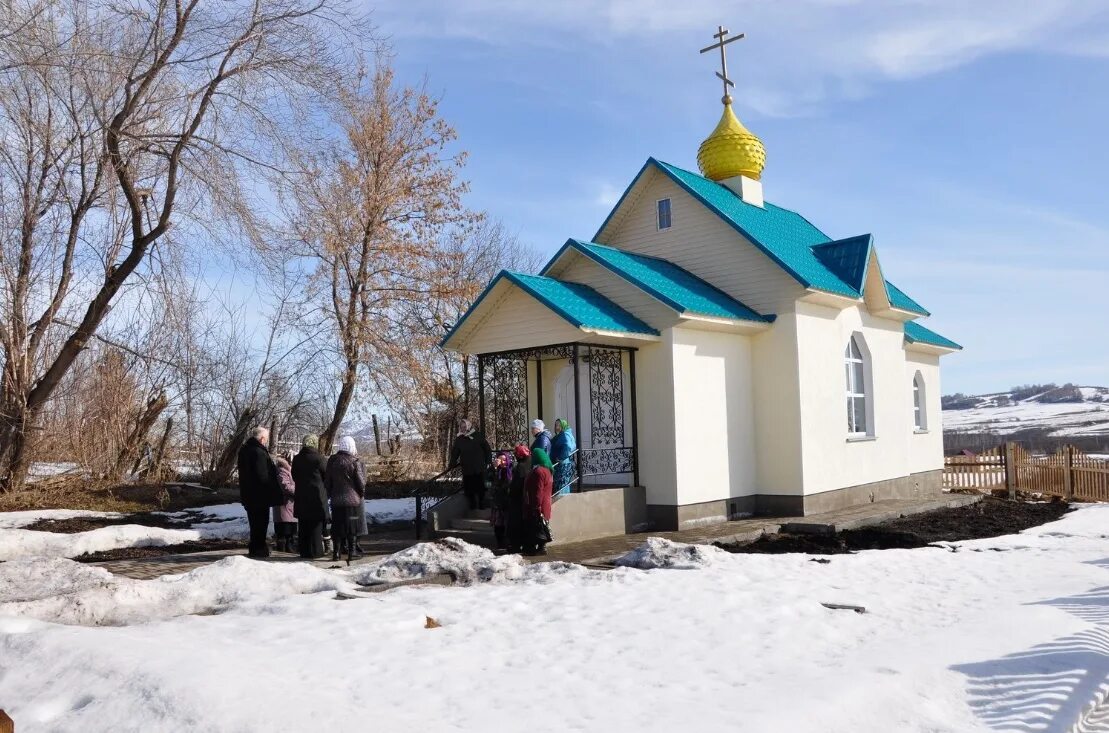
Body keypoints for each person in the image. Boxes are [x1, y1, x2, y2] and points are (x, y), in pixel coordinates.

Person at [237, 426, 280, 558]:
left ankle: (255, 547)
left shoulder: (244, 450)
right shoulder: (259, 452)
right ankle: (259, 549)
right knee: (261, 523)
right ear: (262, 439)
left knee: (254, 523)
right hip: (260, 496)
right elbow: (263, 476)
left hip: (248, 494)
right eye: (266, 439)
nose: (266, 441)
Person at [325, 436, 365, 561]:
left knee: (337, 526)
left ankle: (336, 553)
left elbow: (327, 482)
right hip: (353, 502)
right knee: (352, 527)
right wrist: (360, 494)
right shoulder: (354, 462)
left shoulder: (332, 461)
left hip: (336, 501)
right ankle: (352, 552)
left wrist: (330, 494)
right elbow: (361, 483)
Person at [292, 434, 329, 558]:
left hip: (301, 497)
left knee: (303, 526)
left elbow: (294, 477)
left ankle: (304, 551)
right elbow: (326, 477)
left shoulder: (297, 459)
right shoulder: (320, 459)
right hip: (317, 497)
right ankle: (316, 552)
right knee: (316, 527)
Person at [450, 418, 492, 511]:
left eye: (465, 426)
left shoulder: (477, 435)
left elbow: (487, 449)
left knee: (481, 486)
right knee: (469, 488)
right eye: (461, 427)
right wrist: (452, 463)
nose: (463, 428)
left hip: (479, 466)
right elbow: (455, 453)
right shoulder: (459, 439)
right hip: (467, 467)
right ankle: (472, 504)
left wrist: (488, 461)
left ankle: (481, 503)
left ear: (469, 426)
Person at [522, 448, 554, 556]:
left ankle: (536, 548)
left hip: (538, 504)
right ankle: (541, 547)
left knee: (536, 527)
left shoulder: (538, 471)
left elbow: (538, 491)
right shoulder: (547, 470)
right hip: (545, 504)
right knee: (541, 526)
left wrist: (536, 506)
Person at [506, 444, 530, 553]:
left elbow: (516, 485)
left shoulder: (521, 467)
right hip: (525, 498)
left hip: (518, 499)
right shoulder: (530, 463)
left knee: (515, 523)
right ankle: (524, 544)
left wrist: (510, 491)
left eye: (516, 454)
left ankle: (515, 545)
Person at [488, 451, 513, 552]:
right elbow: (488, 481)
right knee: (498, 524)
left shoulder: (511, 469)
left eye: (504, 460)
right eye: (500, 460)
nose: (503, 462)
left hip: (508, 501)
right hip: (497, 502)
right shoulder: (494, 470)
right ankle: (500, 543)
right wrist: (494, 469)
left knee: (508, 523)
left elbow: (510, 484)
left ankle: (508, 543)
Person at [272, 453, 297, 552]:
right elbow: (286, 487)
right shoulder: (282, 471)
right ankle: (285, 547)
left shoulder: (286, 470)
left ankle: (286, 546)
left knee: (289, 529)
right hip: (284, 504)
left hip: (288, 505)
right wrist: (299, 490)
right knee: (284, 529)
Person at [549, 418, 577, 494]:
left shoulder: (565, 435)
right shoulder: (560, 435)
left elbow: (567, 447)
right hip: (559, 464)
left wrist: (560, 457)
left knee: (561, 485)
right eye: (555, 425)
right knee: (560, 485)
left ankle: (562, 501)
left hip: (562, 464)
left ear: (563, 426)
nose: (557, 427)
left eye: (559, 425)